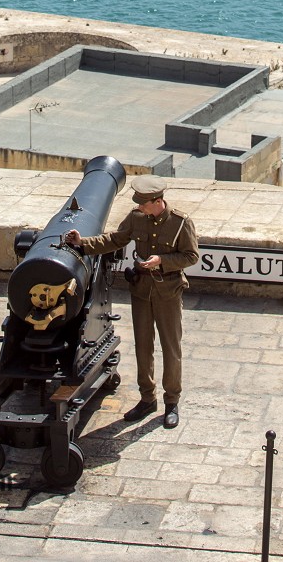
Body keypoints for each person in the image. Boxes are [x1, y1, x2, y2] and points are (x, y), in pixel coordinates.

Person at [64, 175, 198, 430]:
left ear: (157, 201)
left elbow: (191, 255)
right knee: (143, 347)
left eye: (144, 204)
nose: (139, 207)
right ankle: (147, 398)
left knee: (171, 348)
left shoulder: (181, 223)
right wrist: (83, 243)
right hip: (141, 290)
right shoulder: (137, 218)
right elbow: (115, 239)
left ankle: (172, 401)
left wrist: (162, 261)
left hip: (168, 291)